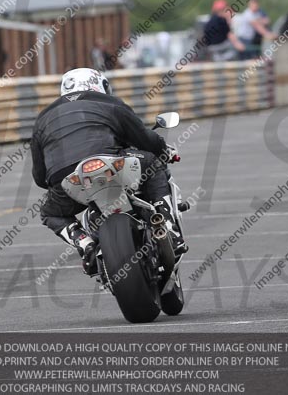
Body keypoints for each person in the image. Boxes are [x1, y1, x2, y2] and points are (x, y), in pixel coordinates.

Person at [31, 68, 186, 274]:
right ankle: (168, 227)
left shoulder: (43, 118)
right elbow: (145, 139)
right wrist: (163, 150)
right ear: (100, 86)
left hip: (68, 178)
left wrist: (57, 182)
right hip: (111, 163)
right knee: (154, 163)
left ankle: (85, 244)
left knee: (50, 212)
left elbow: (40, 177)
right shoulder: (109, 104)